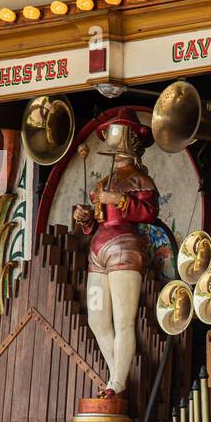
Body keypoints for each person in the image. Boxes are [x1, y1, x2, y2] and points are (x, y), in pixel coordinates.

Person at [72, 110, 160, 401]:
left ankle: (117, 383)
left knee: (124, 320)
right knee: (97, 320)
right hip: (99, 250)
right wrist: (86, 218)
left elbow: (148, 213)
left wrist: (120, 200)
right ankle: (116, 377)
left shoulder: (140, 179)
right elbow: (97, 220)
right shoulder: (102, 182)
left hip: (124, 247)